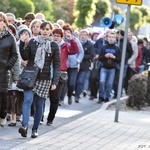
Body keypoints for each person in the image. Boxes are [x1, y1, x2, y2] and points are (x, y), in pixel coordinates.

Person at [18, 21, 61, 138]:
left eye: (47, 29)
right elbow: (25, 57)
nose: (45, 31)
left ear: (51, 30)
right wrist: (22, 43)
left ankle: (35, 129)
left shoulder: (53, 45)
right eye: (43, 29)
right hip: (31, 76)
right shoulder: (33, 42)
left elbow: (57, 65)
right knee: (27, 100)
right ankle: (25, 126)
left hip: (45, 78)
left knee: (39, 105)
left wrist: (55, 81)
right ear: (40, 30)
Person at [47, 28, 79, 125]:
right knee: (43, 96)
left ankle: (50, 119)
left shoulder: (65, 46)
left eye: (58, 36)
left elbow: (75, 50)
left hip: (60, 73)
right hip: (47, 72)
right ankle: (40, 117)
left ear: (61, 37)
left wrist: (71, 39)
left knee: (55, 98)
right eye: (54, 35)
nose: (56, 37)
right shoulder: (48, 45)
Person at [0, 12, 18, 127]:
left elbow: (15, 55)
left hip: (4, 70)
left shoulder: (10, 37)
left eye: (1, 20)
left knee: (3, 95)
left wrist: (8, 65)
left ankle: (2, 116)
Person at [98, 30, 121, 103]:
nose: (111, 38)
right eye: (110, 37)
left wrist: (113, 57)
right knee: (102, 81)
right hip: (104, 67)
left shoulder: (117, 48)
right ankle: (101, 96)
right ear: (107, 38)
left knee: (109, 84)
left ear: (115, 39)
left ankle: (107, 97)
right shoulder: (104, 47)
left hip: (112, 68)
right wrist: (105, 56)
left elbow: (119, 59)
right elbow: (100, 58)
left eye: (113, 37)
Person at [74, 29, 95, 103]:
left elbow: (92, 55)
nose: (83, 36)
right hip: (75, 65)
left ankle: (77, 96)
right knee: (74, 81)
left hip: (84, 66)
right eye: (81, 34)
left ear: (87, 36)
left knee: (80, 81)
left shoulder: (90, 45)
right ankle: (72, 93)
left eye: (84, 35)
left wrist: (82, 56)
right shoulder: (76, 43)